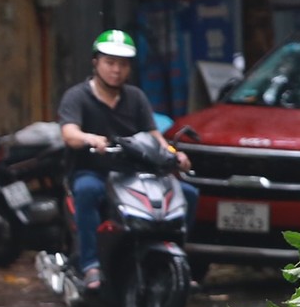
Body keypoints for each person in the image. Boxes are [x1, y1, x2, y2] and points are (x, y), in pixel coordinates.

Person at [57, 29, 197, 290]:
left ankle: (175, 260)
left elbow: (155, 136)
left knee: (187, 194)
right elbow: (69, 134)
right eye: (110, 63)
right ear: (95, 63)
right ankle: (90, 265)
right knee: (86, 191)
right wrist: (90, 139)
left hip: (134, 174)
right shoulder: (76, 96)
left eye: (122, 64)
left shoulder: (136, 97)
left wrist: (175, 155)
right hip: (94, 171)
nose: (116, 70)